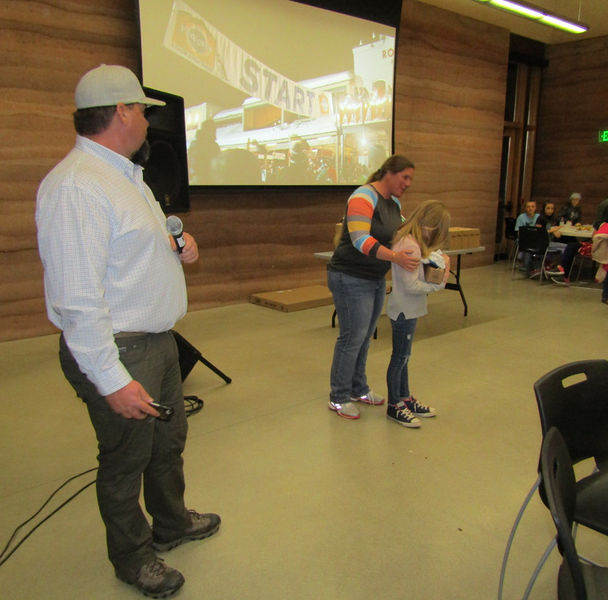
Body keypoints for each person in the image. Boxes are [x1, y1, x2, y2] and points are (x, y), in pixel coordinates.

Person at [35, 65, 220, 598]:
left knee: (166, 443)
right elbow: (77, 300)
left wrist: (179, 248)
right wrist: (111, 380)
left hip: (155, 344)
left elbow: (126, 256)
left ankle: (171, 523)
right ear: (122, 111)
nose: (145, 121)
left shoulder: (123, 177)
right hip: (119, 350)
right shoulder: (77, 187)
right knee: (125, 458)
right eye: (142, 110)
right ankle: (133, 557)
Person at [327, 155, 419, 420]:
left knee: (365, 336)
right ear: (389, 172)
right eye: (405, 177)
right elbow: (360, 240)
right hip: (350, 277)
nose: (408, 184)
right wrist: (396, 258)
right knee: (352, 337)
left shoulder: (394, 203)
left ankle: (358, 388)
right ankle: (339, 396)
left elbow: (402, 235)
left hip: (373, 277)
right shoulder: (362, 197)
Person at [386, 200, 451, 427]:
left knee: (404, 358)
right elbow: (411, 286)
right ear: (430, 226)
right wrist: (437, 285)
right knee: (400, 358)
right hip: (404, 310)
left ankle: (404, 398)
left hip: (408, 309)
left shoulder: (412, 241)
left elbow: (431, 257)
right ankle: (395, 405)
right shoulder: (409, 245)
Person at [514, 200, 540, 274]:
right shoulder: (521, 217)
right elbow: (519, 233)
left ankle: (537, 267)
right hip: (525, 240)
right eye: (528, 207)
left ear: (535, 208)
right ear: (525, 208)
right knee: (528, 250)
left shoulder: (539, 217)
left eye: (532, 206)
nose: (530, 208)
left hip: (536, 241)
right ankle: (528, 268)